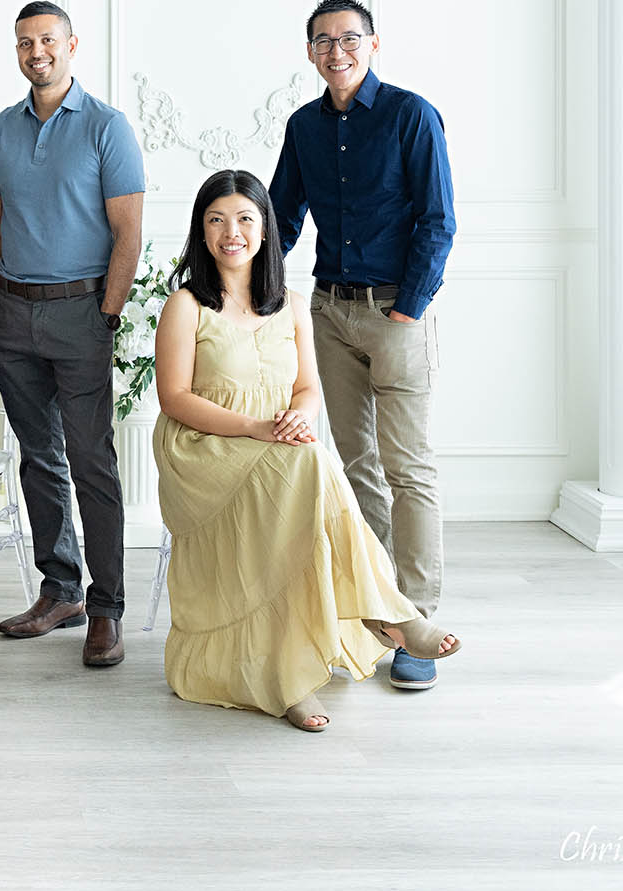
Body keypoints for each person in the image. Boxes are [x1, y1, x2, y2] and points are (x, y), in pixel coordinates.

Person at [153, 169, 460, 732]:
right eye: (216, 220)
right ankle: (388, 616)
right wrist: (254, 427)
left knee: (305, 463)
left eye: (245, 219)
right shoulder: (186, 304)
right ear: (201, 231)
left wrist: (298, 416)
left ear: (266, 229)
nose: (232, 233)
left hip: (274, 443)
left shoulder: (292, 305)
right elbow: (172, 398)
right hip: (204, 447)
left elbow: (308, 386)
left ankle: (294, 669)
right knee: (309, 464)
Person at [268, 0, 457, 691]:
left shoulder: (410, 115)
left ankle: (419, 621)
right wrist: (241, 284)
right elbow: (281, 216)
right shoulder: (305, 126)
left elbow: (439, 219)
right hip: (329, 315)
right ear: (310, 52)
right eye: (322, 41)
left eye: (349, 38)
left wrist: (408, 308)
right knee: (356, 466)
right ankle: (379, 613)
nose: (336, 51)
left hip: (396, 317)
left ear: (373, 45)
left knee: (409, 469)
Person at [0, 0, 145, 667]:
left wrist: (106, 312)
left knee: (92, 460)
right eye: (24, 42)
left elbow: (129, 231)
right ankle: (61, 589)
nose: (36, 51)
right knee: (38, 457)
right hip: (13, 313)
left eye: (47, 39)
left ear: (72, 45)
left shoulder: (108, 127)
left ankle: (107, 608)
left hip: (82, 312)